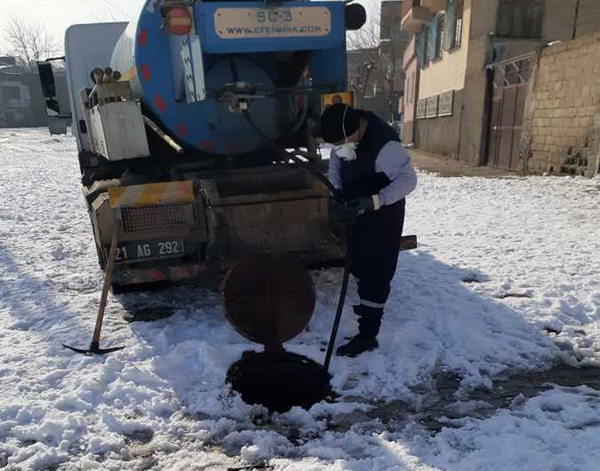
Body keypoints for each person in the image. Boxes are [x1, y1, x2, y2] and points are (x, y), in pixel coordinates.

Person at [320, 104, 418, 357]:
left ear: (355, 131)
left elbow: (408, 180)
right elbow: (335, 164)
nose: (340, 149)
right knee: (360, 262)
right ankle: (367, 307)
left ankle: (367, 336)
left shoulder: (386, 146)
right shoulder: (347, 137)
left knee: (377, 270)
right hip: (356, 208)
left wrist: (374, 201)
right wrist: (337, 195)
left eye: (342, 142)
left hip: (384, 212)